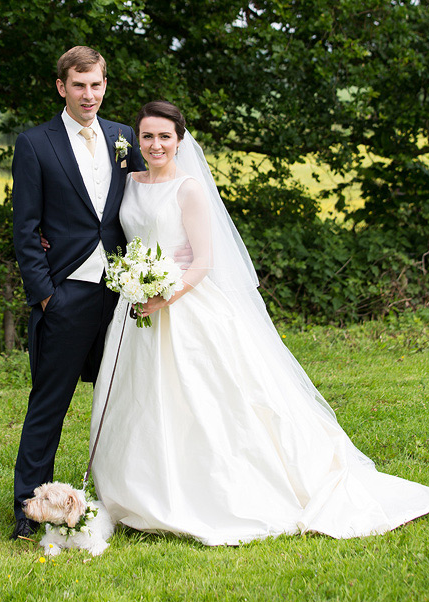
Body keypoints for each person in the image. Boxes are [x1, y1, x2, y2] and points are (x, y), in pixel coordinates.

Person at [90, 100, 429, 544]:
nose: (155, 144)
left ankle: (209, 489)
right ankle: (136, 490)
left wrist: (163, 295)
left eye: (164, 136)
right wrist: (137, 288)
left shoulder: (189, 189)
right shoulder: (129, 183)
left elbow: (204, 261)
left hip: (185, 306)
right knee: (139, 400)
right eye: (148, 136)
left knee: (204, 398)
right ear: (138, 139)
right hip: (135, 307)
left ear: (179, 139)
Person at [10, 46, 145, 538]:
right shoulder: (35, 144)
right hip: (67, 293)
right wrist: (46, 295)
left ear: (105, 85)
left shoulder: (124, 138)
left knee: (125, 397)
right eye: (79, 85)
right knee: (50, 403)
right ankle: (30, 513)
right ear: (61, 87)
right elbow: (25, 228)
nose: (89, 95)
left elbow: (139, 201)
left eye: (97, 85)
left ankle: (125, 499)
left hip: (124, 293)